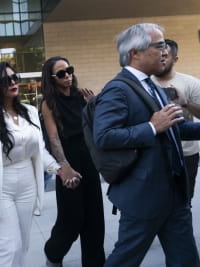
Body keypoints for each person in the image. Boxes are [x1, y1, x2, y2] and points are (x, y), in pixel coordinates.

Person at [93, 23, 200, 266]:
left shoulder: (153, 85)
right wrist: (151, 127)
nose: (166, 51)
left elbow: (173, 128)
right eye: (160, 45)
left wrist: (161, 126)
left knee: (186, 259)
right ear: (135, 53)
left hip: (174, 193)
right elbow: (104, 136)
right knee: (125, 259)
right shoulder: (117, 89)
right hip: (144, 196)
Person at [0, 62, 65, 267]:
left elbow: (39, 148)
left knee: (22, 244)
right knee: (9, 245)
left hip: (27, 182)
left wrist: (59, 170)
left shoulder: (30, 111)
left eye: (16, 78)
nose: (13, 82)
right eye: (7, 80)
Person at [40, 56, 105, 267]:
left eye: (69, 70)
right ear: (52, 78)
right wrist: (64, 166)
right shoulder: (48, 103)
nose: (67, 75)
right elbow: (53, 137)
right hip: (68, 162)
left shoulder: (81, 96)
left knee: (95, 219)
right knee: (72, 219)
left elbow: (97, 129)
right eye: (61, 73)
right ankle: (53, 253)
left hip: (88, 160)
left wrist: (92, 106)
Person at [152, 38, 200, 201]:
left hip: (187, 153)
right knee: (160, 201)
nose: (162, 58)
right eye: (159, 54)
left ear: (175, 59)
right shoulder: (145, 84)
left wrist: (185, 103)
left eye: (166, 55)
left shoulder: (191, 83)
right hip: (156, 153)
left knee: (184, 199)